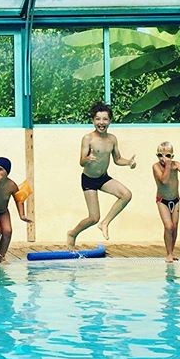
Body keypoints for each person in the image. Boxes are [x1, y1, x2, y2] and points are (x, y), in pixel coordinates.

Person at [67, 101, 136, 249]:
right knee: (93, 217)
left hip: (103, 178)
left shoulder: (112, 139)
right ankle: (72, 233)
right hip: (89, 180)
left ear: (110, 121)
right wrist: (87, 159)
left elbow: (117, 159)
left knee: (126, 195)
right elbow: (81, 162)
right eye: (98, 119)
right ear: (93, 121)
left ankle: (105, 223)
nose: (101, 122)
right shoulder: (88, 138)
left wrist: (128, 162)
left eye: (105, 119)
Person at [152, 141, 180, 263]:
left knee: (174, 227)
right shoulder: (156, 166)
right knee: (168, 226)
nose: (163, 158)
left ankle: (172, 252)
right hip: (162, 201)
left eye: (167, 156)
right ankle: (168, 254)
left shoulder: (176, 164)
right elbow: (164, 181)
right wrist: (168, 166)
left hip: (175, 200)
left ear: (172, 156)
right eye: (160, 155)